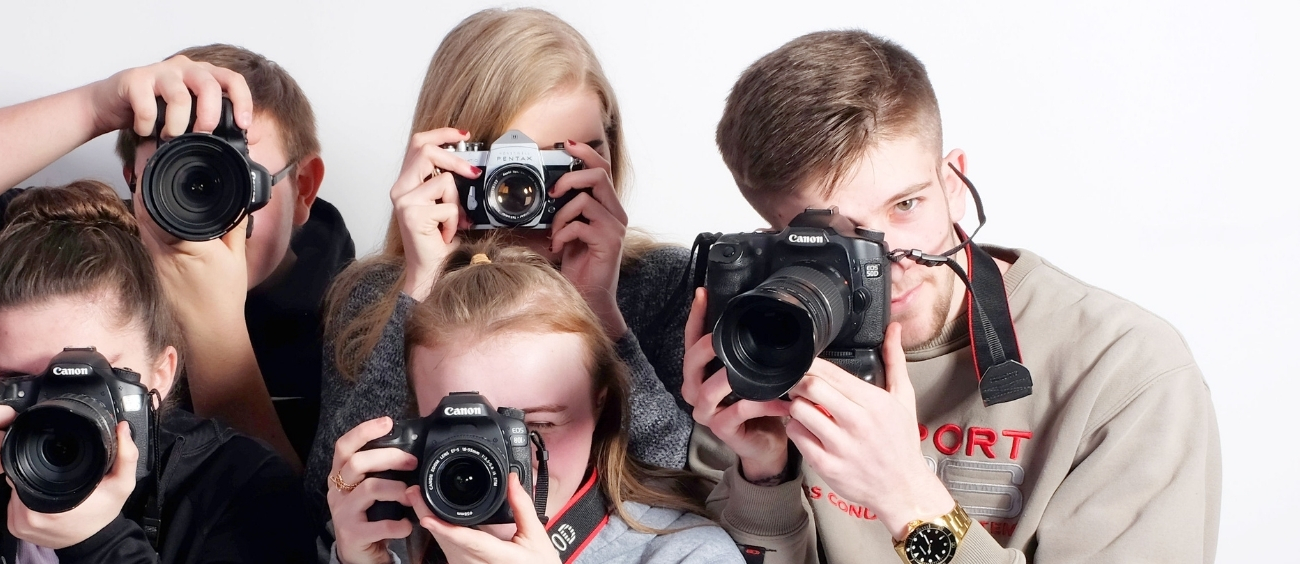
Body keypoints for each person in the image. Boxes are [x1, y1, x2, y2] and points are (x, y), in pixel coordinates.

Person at [683, 30, 1220, 563]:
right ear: (776, 238)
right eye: (839, 238)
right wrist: (765, 479)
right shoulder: (756, 342)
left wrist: (907, 499)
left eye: (907, 205)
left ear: (955, 182)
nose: (890, 255)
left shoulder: (1123, 371)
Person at [0, 44, 348, 465]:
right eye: (181, 177)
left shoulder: (363, 320)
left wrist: (217, 331)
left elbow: (305, 531)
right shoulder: (90, 257)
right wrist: (95, 107)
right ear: (134, 183)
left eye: (235, 179)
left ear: (302, 189)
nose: (207, 214)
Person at [311, 6, 695, 518]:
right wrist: (419, 287)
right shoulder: (372, 295)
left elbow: (691, 489)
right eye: (505, 167)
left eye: (563, 162)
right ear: (446, 158)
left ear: (609, 152)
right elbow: (328, 499)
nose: (526, 193)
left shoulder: (663, 281)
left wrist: (600, 310)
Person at [0, 180, 315, 563]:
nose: (52, 408)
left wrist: (97, 544)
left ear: (160, 372)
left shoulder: (238, 486)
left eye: (88, 379)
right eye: (17, 381)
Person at [326, 244, 741, 564]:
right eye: (462, 429)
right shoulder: (384, 535)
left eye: (536, 429)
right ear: (415, 423)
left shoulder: (685, 554)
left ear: (600, 410)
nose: (504, 460)